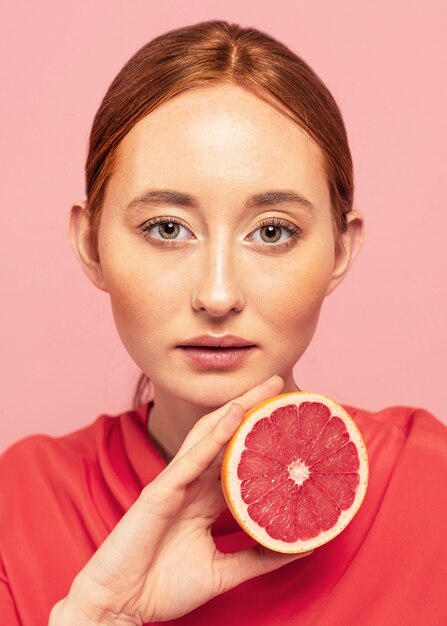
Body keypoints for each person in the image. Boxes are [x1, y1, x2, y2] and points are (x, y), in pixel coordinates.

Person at [1, 19, 446, 626]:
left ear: (341, 251)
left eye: (271, 232)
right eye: (166, 228)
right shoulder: (15, 510)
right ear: (91, 243)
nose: (217, 294)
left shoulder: (431, 487)